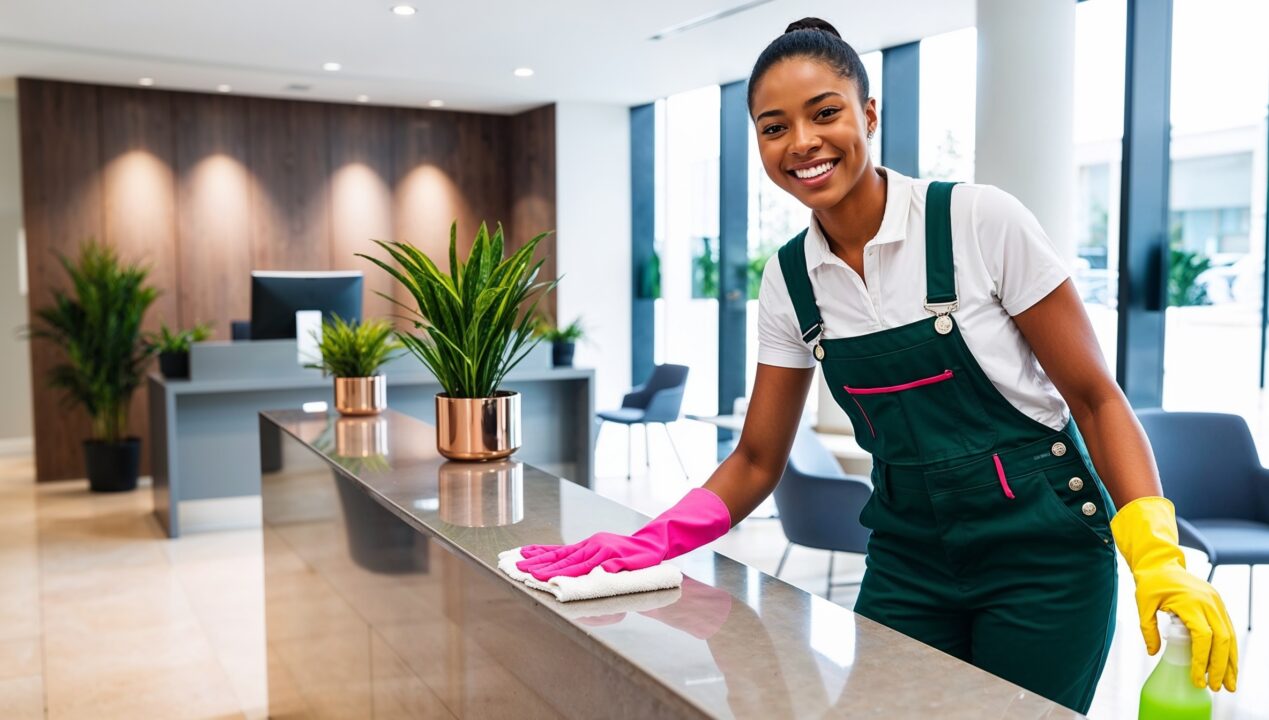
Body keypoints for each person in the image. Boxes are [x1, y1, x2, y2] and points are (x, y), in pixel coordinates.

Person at [517, 17, 1237, 713]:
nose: (801, 143)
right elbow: (759, 458)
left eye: (823, 113)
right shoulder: (791, 279)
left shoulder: (977, 222)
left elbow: (1094, 398)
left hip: (1042, 562)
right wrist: (650, 541)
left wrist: (1155, 554)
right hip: (907, 560)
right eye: (773, 128)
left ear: (867, 114)